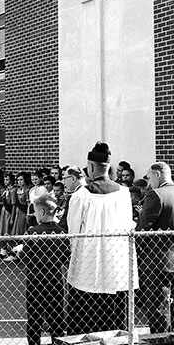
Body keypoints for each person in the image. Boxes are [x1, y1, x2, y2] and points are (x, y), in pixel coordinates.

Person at [65, 142, 137, 335]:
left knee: (86, 312)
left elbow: (73, 230)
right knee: (113, 313)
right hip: (116, 260)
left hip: (88, 258)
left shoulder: (81, 194)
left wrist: (75, 253)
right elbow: (128, 223)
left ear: (89, 167)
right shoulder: (123, 193)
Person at [137, 161, 174, 333]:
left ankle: (160, 340)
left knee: (158, 305)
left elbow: (143, 227)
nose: (148, 182)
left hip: (157, 260)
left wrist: (140, 248)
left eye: (149, 178)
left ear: (157, 174)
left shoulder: (156, 195)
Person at [15, 194, 69, 345]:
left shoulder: (33, 232)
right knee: (56, 314)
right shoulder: (61, 232)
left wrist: (19, 252)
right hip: (55, 278)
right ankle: (58, 344)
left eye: (36, 212)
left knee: (34, 316)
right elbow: (66, 255)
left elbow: (26, 257)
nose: (35, 215)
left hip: (35, 279)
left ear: (42, 212)